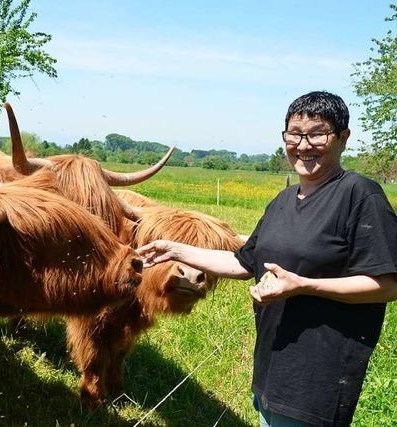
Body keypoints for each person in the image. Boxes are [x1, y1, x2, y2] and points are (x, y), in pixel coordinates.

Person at [138, 91, 397, 427]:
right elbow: (244, 263)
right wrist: (175, 249)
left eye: (317, 134)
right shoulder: (282, 201)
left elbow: (386, 285)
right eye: (294, 134)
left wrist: (303, 286)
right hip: (272, 370)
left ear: (343, 138)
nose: (303, 145)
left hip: (317, 379)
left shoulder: (360, 195)